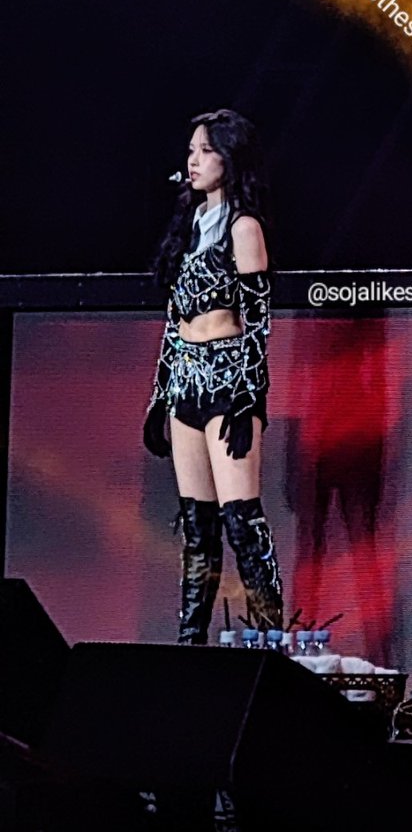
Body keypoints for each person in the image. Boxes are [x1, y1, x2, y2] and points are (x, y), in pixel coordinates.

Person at [146, 110, 285, 642]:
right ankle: (190, 643)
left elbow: (258, 324)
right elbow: (173, 323)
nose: (194, 160)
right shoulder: (187, 227)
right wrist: (160, 396)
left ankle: (271, 642)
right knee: (196, 528)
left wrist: (249, 398)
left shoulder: (243, 228)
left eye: (205, 150)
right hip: (185, 381)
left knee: (240, 521)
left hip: (228, 385)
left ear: (230, 158)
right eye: (191, 150)